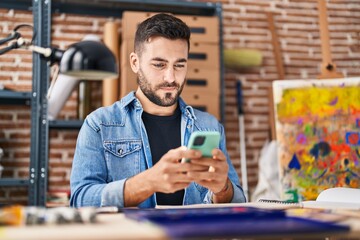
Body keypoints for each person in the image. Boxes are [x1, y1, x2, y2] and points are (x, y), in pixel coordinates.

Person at [70, 13, 246, 208]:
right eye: (159, 65)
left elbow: (237, 202)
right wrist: (147, 182)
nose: (170, 77)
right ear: (135, 63)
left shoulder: (209, 126)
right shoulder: (100, 124)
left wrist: (223, 189)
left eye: (179, 65)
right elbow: (80, 200)